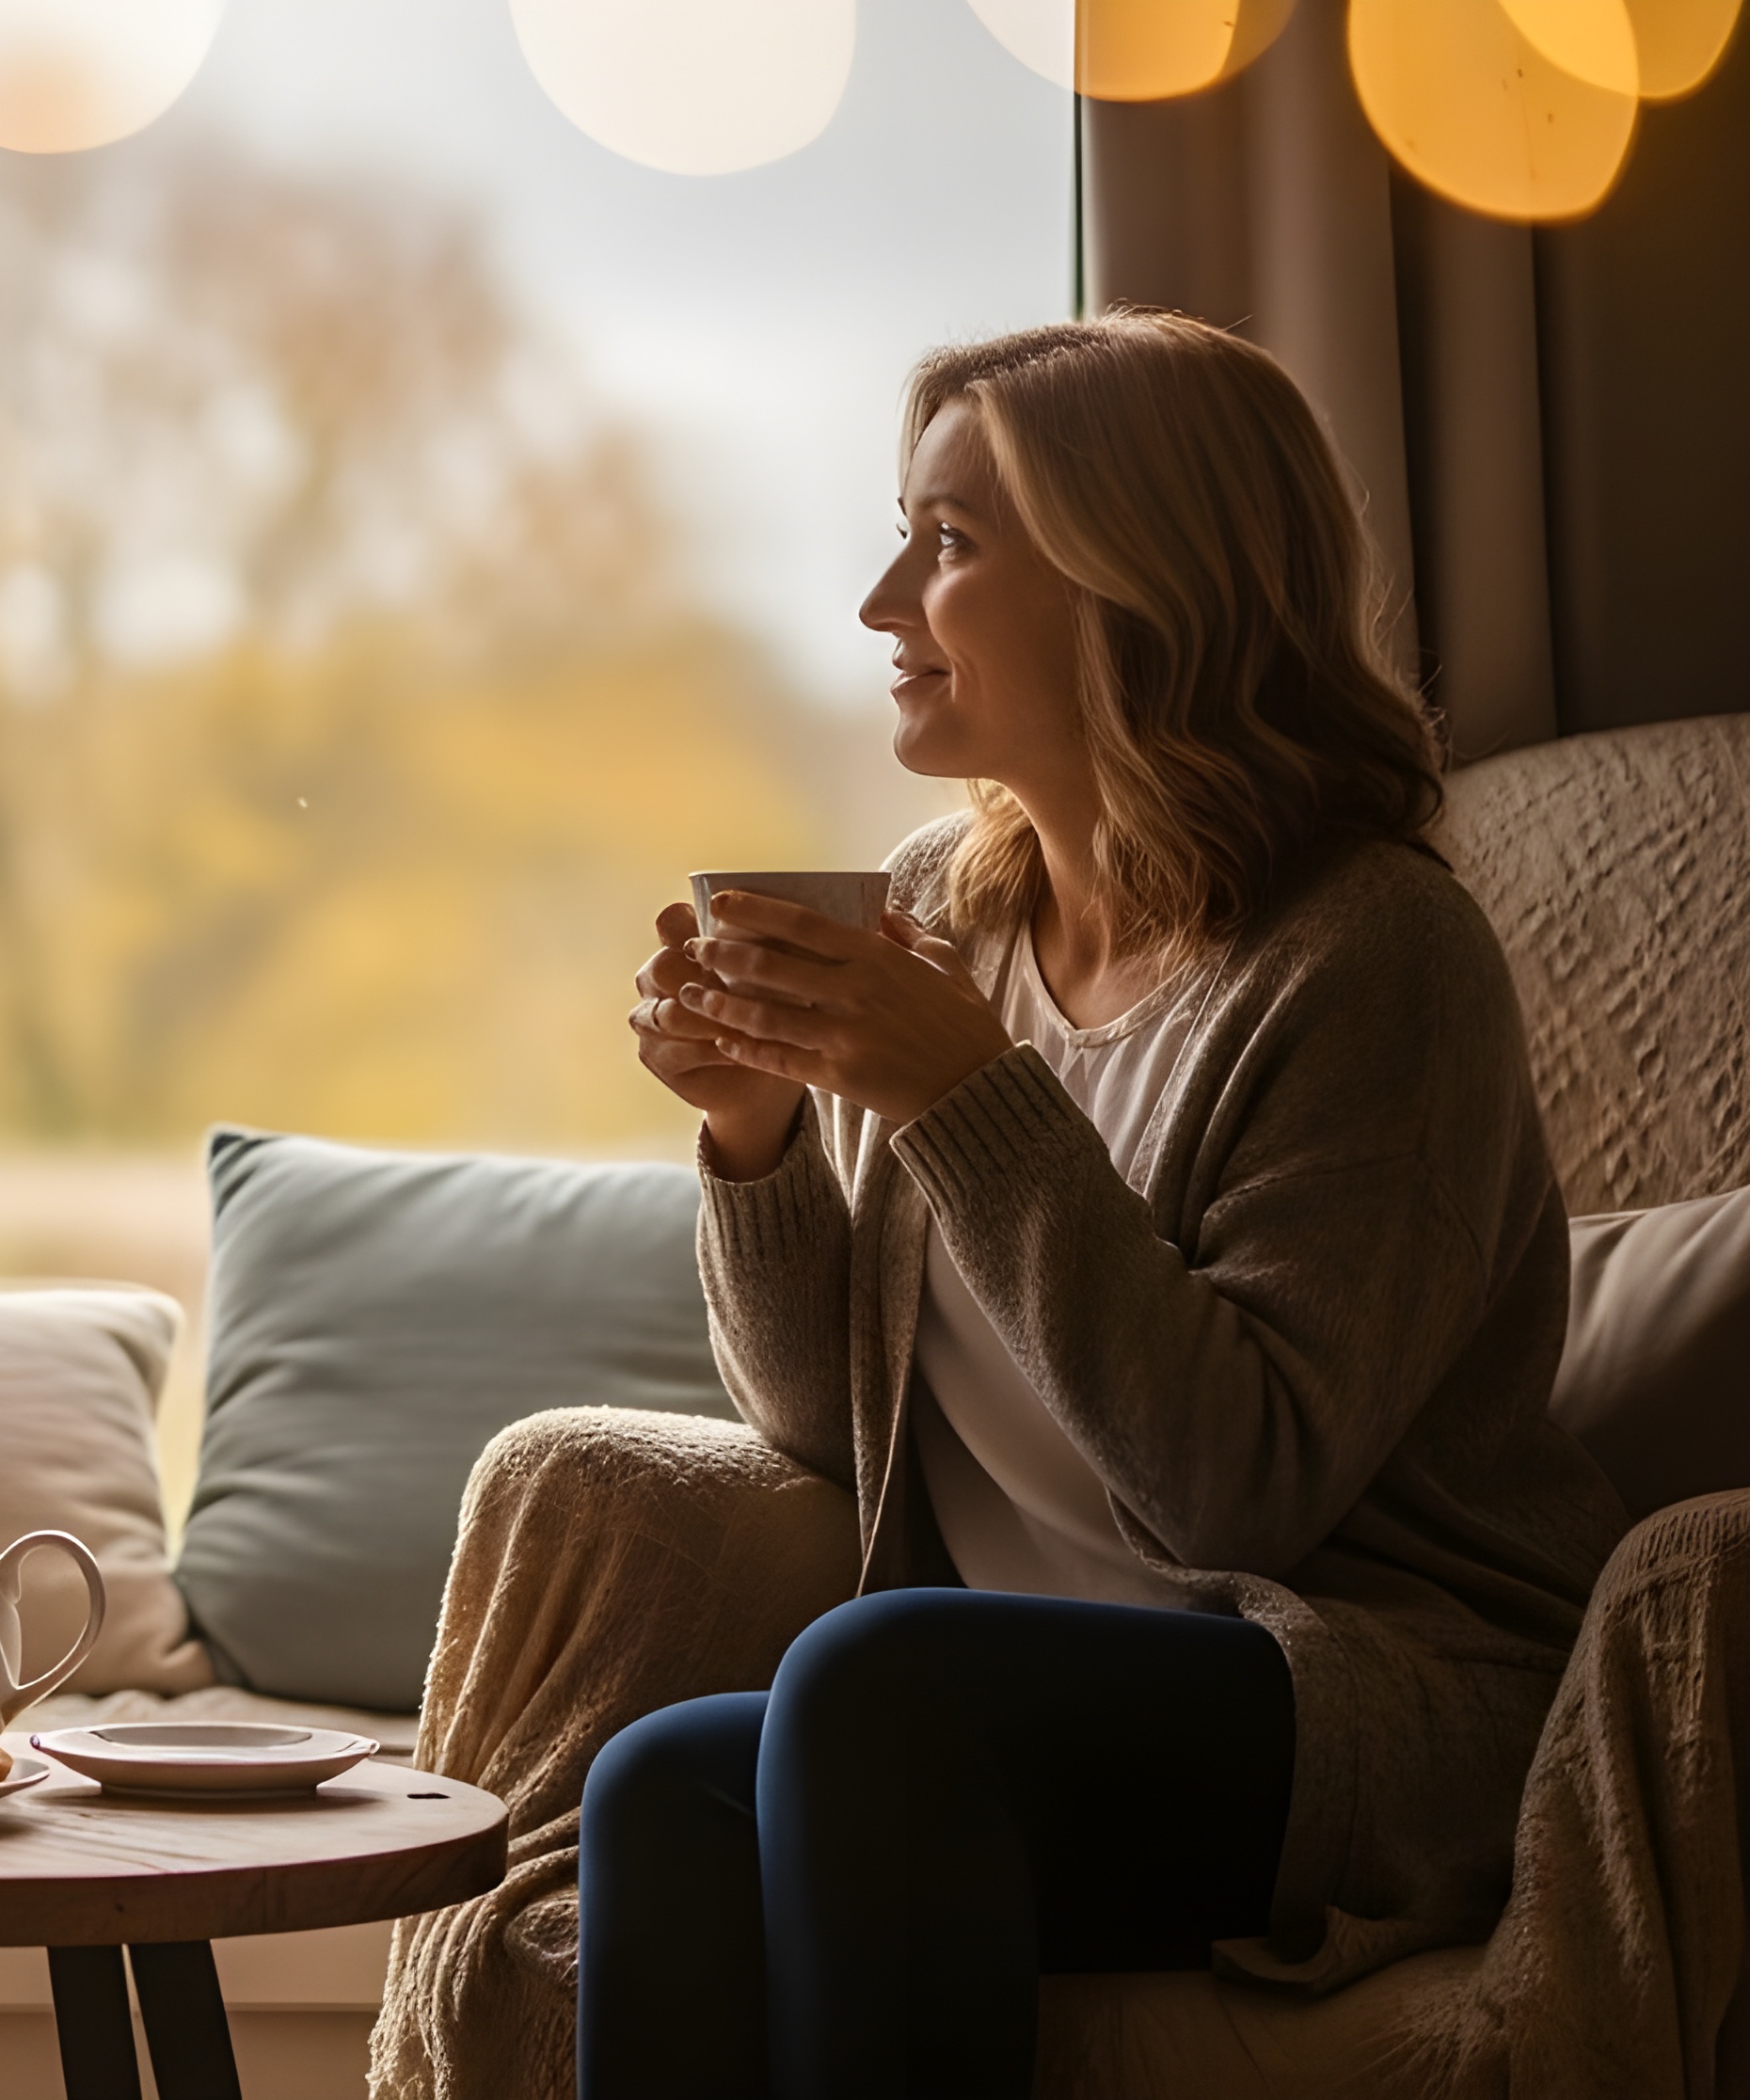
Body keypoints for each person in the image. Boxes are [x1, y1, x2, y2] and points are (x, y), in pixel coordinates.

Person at [580, 312, 1626, 2095]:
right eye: (902, 533)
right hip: (1006, 1711)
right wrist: (759, 1143)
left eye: (951, 543)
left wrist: (958, 1095)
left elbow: (1240, 1487)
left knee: (879, 1682)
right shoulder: (947, 910)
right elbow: (834, 1426)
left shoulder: (1373, 955)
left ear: (1141, 582)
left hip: (1368, 1711)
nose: (881, 603)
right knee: (661, 1783)